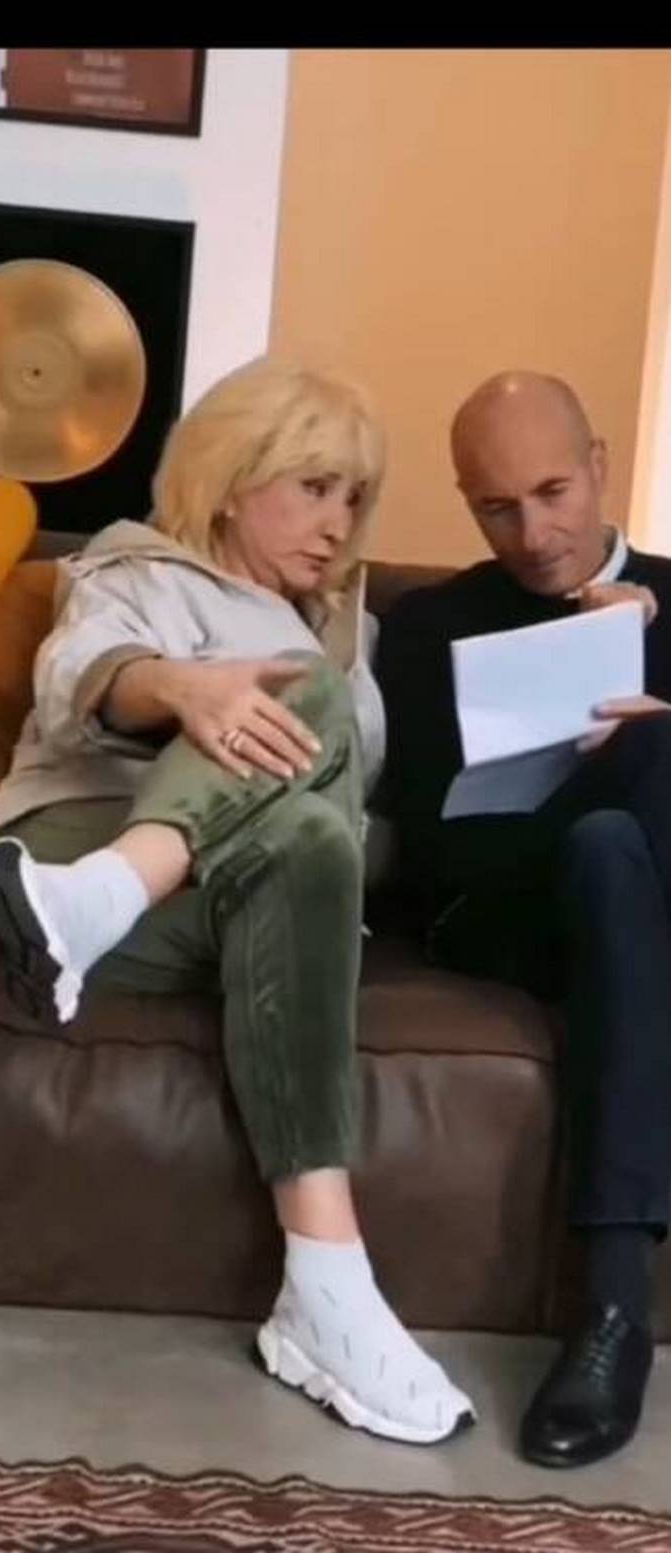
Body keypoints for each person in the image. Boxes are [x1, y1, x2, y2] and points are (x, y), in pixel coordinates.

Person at [0, 356, 474, 1446]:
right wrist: (182, 685)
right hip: (62, 851)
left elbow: (363, 812)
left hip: (241, 906)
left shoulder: (349, 635)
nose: (337, 524)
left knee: (314, 825)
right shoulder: (133, 566)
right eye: (312, 486)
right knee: (299, 706)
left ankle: (324, 1287)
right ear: (234, 477)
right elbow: (84, 672)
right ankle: (99, 892)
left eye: (353, 497)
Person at [375, 370, 671, 1468]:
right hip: (502, 908)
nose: (534, 534)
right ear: (467, 502)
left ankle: (613, 1311)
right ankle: (610, 1309)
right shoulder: (427, 626)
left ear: (599, 464)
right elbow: (439, 848)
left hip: (634, 906)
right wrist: (605, 768)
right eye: (497, 507)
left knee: (620, 835)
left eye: (553, 492)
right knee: (612, 818)